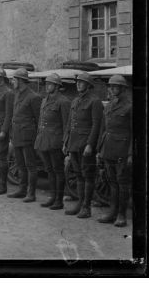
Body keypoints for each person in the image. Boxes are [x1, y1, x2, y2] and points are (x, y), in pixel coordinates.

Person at [63, 72, 104, 219]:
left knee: (88, 176)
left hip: (85, 145)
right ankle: (80, 204)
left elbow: (96, 125)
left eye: (82, 82)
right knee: (78, 175)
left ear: (88, 85)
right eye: (78, 82)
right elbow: (69, 123)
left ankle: (87, 207)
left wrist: (90, 145)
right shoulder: (75, 101)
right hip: (73, 143)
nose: (78, 84)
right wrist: (66, 141)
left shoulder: (95, 101)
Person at [96, 75, 132, 227]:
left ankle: (121, 215)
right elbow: (103, 130)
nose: (112, 89)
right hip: (108, 148)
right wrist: (99, 149)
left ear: (123, 89)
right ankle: (112, 212)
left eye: (115, 86)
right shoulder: (109, 106)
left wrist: (131, 153)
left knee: (122, 183)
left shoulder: (130, 107)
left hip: (122, 150)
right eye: (111, 86)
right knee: (112, 182)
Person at [34, 73, 71, 209]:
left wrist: (65, 142)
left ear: (56, 86)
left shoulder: (63, 101)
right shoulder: (45, 100)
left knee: (58, 170)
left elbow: (67, 124)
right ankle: (52, 197)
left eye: (50, 84)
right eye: (47, 84)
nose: (47, 86)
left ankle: (58, 200)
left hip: (55, 141)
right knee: (49, 170)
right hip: (44, 139)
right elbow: (40, 120)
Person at [8, 68, 42, 202]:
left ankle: (31, 193)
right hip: (17, 134)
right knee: (20, 164)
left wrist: (36, 138)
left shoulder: (34, 97)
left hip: (28, 136)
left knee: (30, 166)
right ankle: (22, 190)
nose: (12, 82)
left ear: (21, 81)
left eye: (14, 79)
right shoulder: (17, 94)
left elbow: (38, 119)